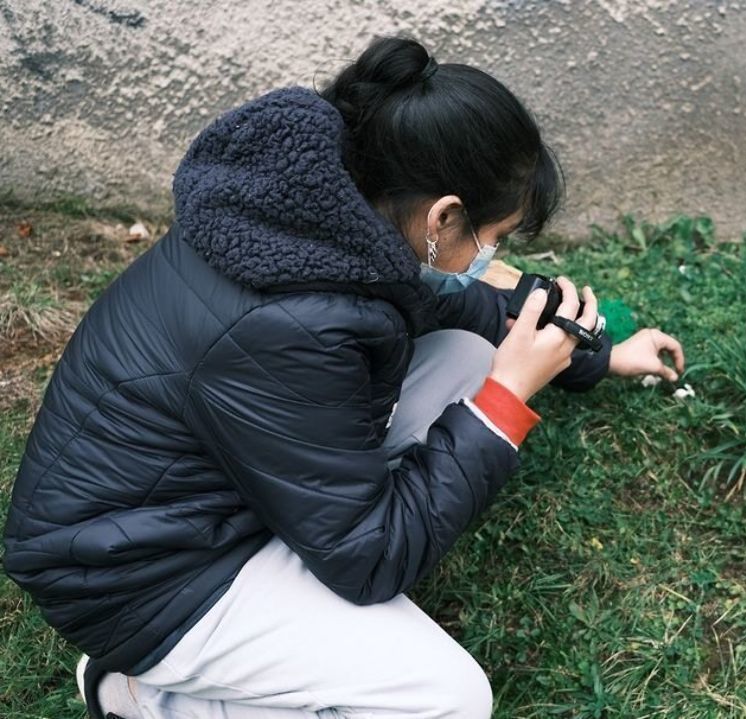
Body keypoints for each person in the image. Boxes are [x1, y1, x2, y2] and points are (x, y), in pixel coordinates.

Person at [2, 35, 685, 719]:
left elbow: (452, 301)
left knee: (468, 356)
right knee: (446, 699)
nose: (493, 257)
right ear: (443, 216)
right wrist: (503, 405)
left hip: (217, 488)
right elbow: (369, 557)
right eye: (493, 238)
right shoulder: (291, 324)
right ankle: (146, 695)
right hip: (137, 575)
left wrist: (598, 352)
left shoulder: (328, 204)